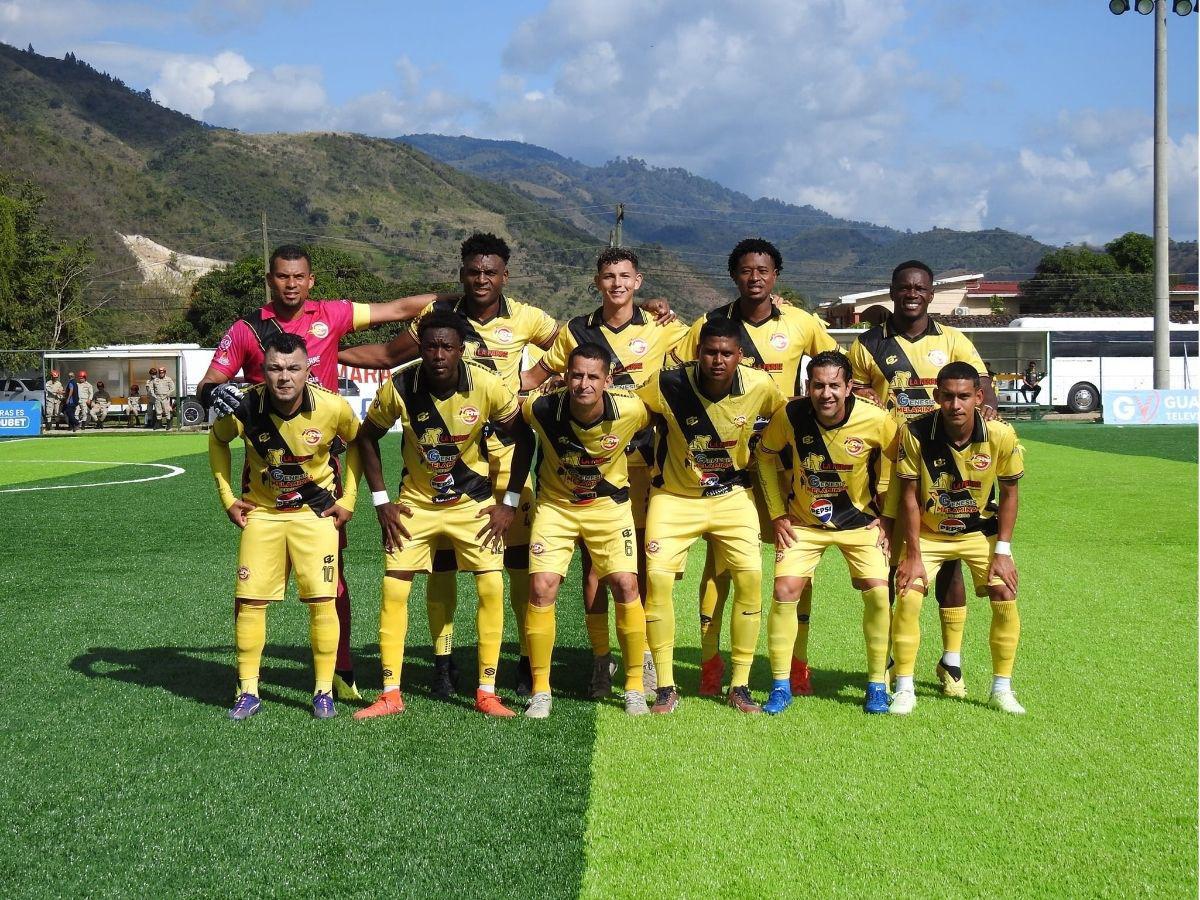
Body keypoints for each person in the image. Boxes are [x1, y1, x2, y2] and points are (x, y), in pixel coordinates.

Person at [341, 234, 673, 699]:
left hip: (507, 456)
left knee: (518, 564)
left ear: (504, 276)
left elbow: (576, 348)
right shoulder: (439, 319)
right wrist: (318, 357)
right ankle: (444, 661)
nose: (482, 279)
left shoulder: (529, 318)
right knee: (442, 565)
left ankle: (520, 661)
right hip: (447, 465)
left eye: (490, 272)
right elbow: (385, 356)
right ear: (462, 273)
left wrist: (647, 308)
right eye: (474, 271)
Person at [198, 244, 441, 701]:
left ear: (311, 281)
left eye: (299, 277)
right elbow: (209, 381)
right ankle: (247, 681)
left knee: (335, 579)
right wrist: (216, 395)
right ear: (270, 279)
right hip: (268, 470)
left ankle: (340, 672)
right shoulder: (247, 329)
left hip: (321, 466)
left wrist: (458, 297)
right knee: (251, 588)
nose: (291, 284)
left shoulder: (333, 313)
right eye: (282, 277)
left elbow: (400, 308)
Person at [672, 237, 838, 698]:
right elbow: (677, 375)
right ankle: (710, 663)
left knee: (795, 568)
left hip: (791, 464)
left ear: (775, 275)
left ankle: (794, 665)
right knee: (721, 568)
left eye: (763, 270)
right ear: (734, 276)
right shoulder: (712, 325)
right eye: (746, 270)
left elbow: (837, 367)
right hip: (729, 466)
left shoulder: (802, 323)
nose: (755, 278)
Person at [520, 246, 687, 698]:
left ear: (639, 282)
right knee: (594, 567)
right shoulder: (576, 331)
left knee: (639, 569)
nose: (616, 283)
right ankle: (600, 660)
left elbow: (713, 342)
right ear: (597, 282)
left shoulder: (663, 328)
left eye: (624, 276)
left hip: (645, 462)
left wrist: (778, 307)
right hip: (584, 468)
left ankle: (645, 658)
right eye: (608, 276)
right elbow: (535, 376)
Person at [352, 311, 535, 720]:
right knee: (394, 590)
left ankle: (486, 691)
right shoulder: (400, 386)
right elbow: (366, 438)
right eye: (431, 346)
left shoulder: (485, 384)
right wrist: (382, 501)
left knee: (490, 588)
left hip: (473, 504)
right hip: (415, 505)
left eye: (447, 347)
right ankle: (389, 693)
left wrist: (507, 503)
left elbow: (525, 437)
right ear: (420, 349)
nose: (438, 354)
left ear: (461, 350)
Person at [847, 259, 999, 698]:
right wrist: (865, 395)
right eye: (903, 287)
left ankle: (951, 661)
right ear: (891, 291)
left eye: (919, 288)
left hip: (943, 469)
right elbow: (851, 393)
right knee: (896, 565)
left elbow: (981, 384)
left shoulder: (952, 340)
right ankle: (897, 658)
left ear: (930, 294)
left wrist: (987, 408)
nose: (911, 293)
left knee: (949, 562)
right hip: (888, 468)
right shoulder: (868, 344)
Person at [208, 331, 362, 720]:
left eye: (293, 368)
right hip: (262, 516)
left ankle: (323, 691)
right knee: (249, 603)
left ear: (308, 369)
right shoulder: (245, 407)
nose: (284, 377)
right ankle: (248, 691)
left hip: (316, 516)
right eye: (275, 368)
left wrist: (348, 500)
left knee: (322, 602)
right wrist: (227, 497)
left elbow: (361, 444)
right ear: (263, 370)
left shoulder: (332, 406)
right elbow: (217, 440)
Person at [641, 318, 786, 714]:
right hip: (674, 498)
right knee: (656, 581)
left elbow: (783, 419)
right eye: (710, 352)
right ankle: (666, 687)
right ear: (697, 352)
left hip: (732, 496)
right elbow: (635, 415)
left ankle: (738, 685)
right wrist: (650, 460)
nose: (717, 360)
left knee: (752, 579)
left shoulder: (759, 385)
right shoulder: (666, 383)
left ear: (740, 355)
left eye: (726, 353)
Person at [755, 351, 897, 715]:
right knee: (785, 590)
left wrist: (889, 518)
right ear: (808, 386)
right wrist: (776, 514)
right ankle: (781, 684)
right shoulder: (791, 415)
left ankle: (877, 685)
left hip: (861, 525)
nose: (826, 393)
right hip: (804, 524)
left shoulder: (876, 419)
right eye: (818, 385)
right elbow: (765, 455)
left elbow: (905, 464)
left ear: (850, 387)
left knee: (879, 596)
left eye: (835, 385)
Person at [521, 343, 652, 718]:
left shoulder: (631, 410)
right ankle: (541, 690)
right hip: (557, 509)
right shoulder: (542, 408)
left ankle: (632, 686)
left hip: (609, 509)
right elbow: (508, 409)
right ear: (565, 377)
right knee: (542, 586)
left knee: (627, 584)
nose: (583, 384)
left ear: (608, 380)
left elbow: (658, 422)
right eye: (576, 375)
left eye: (593, 376)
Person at [891, 361, 1025, 715]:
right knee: (908, 592)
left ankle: (1001, 688)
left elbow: (1010, 494)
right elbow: (907, 495)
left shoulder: (1000, 434)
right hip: (930, 533)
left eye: (964, 396)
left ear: (978, 397)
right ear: (936, 397)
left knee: (1005, 591)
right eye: (947, 396)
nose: (955, 405)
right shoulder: (915, 431)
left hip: (979, 531)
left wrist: (1003, 552)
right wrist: (913, 554)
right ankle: (904, 687)